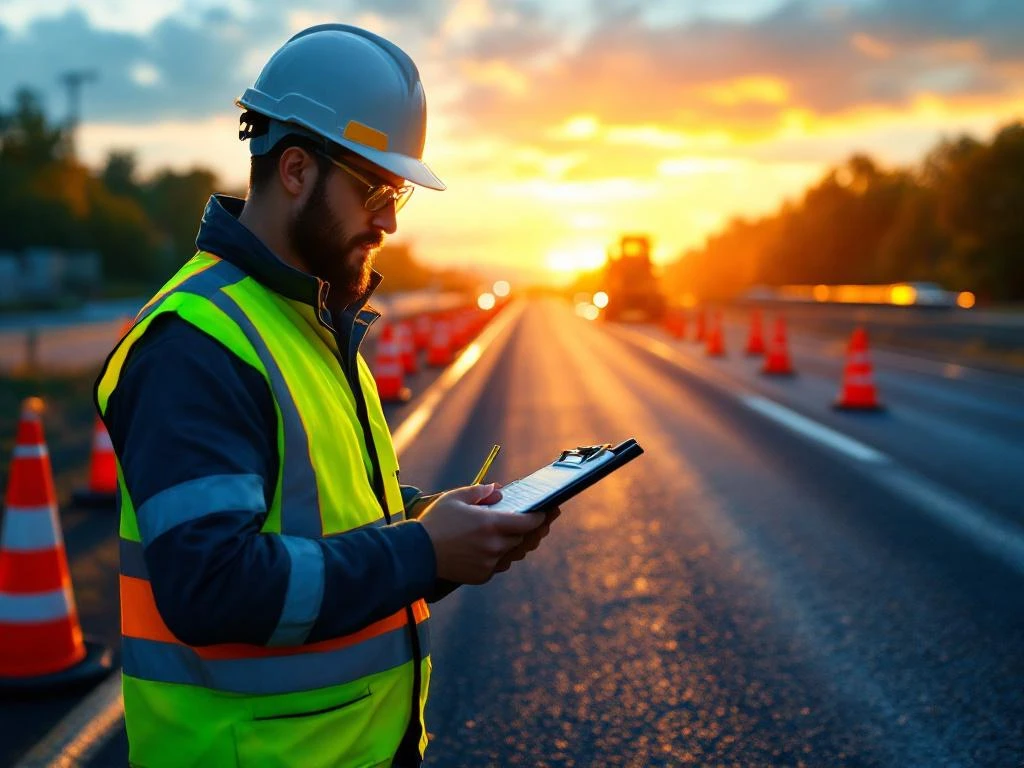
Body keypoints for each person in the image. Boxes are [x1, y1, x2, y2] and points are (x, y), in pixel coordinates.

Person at [95, 23, 556, 768]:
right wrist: (418, 549)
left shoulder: (305, 319)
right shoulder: (195, 343)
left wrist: (435, 530)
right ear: (297, 171)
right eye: (376, 188)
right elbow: (210, 586)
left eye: (397, 190)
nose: (391, 220)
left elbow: (322, 518)